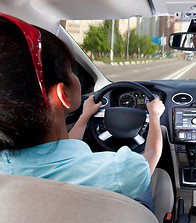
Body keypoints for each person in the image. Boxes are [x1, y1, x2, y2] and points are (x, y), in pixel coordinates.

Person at [0, 13, 165, 211]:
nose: (75, 76)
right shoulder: (120, 172)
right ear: (63, 94)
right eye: (73, 71)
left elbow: (61, 149)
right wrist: (154, 116)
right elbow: (150, 158)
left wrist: (85, 116)